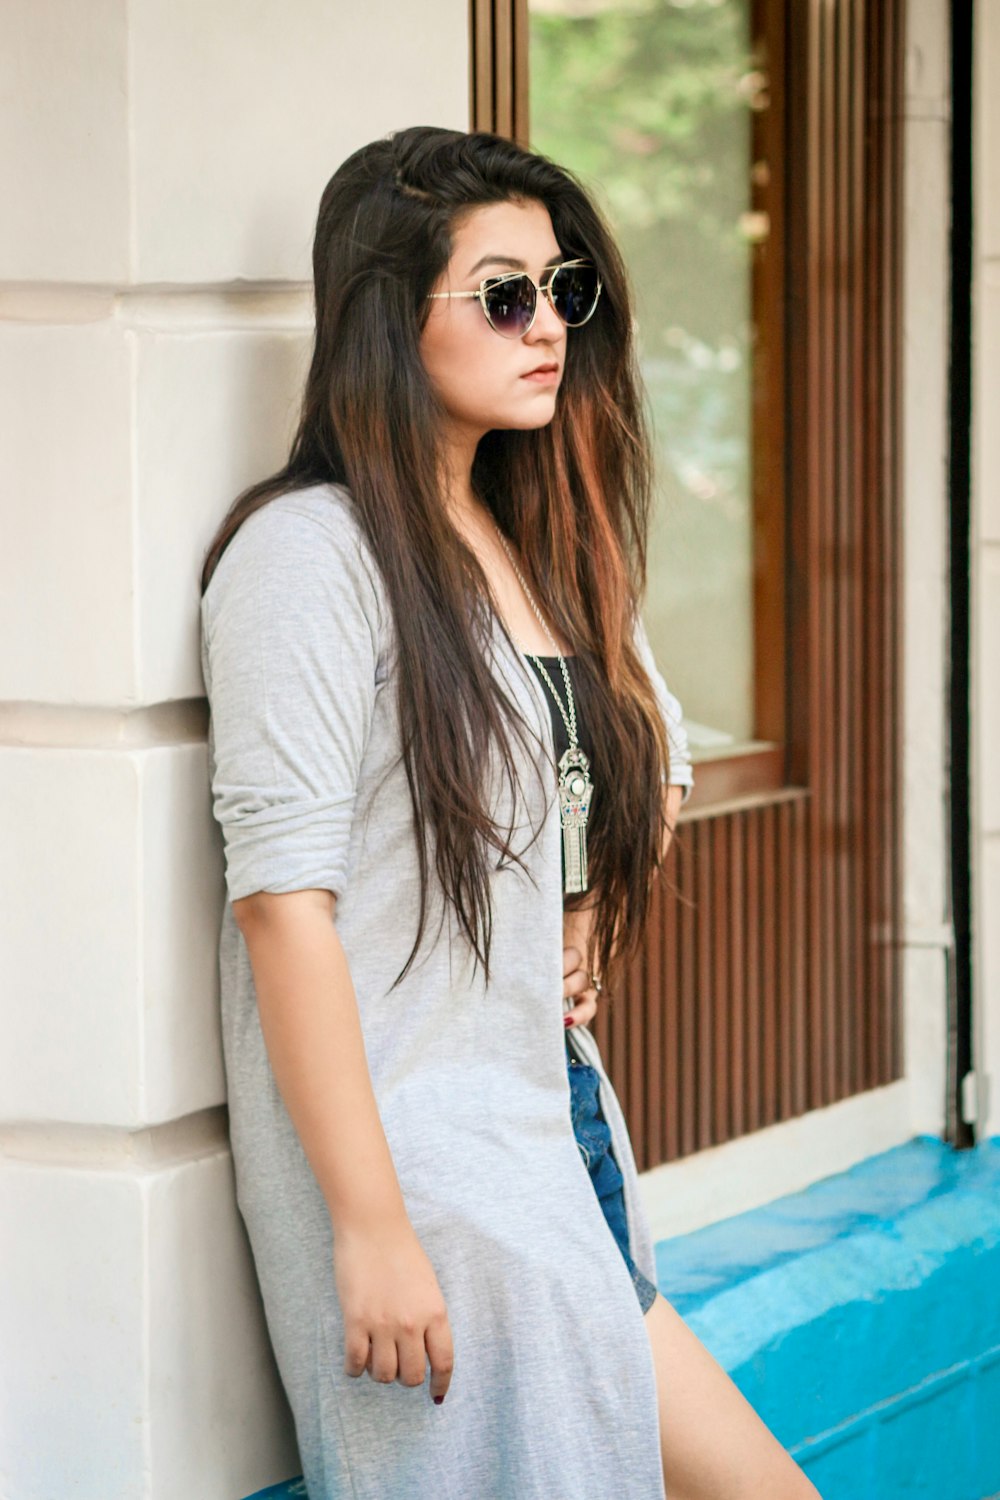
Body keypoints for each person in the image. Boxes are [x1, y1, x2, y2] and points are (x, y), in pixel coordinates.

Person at [199, 126, 820, 1500]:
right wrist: (369, 1228)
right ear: (384, 315)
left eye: (565, 288)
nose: (550, 326)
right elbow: (280, 905)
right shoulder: (308, 557)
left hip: (561, 1136)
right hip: (431, 1178)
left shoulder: (526, 531)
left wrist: (580, 904)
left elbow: (638, 752)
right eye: (504, 293)